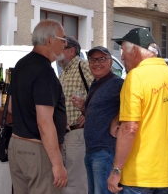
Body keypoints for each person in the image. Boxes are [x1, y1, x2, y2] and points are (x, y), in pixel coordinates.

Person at [108, 28, 168, 193]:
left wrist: (116, 170)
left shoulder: (135, 77)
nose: (121, 57)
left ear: (136, 51)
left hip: (137, 178)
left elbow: (130, 128)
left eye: (123, 51)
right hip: (165, 177)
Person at [7, 19, 68, 194]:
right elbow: (44, 122)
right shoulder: (44, 70)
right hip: (37, 149)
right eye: (62, 39)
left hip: (17, 144)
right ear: (49, 40)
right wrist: (57, 165)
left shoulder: (21, 64)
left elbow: (11, 106)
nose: (65, 44)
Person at [71, 46, 124, 194]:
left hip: (106, 151)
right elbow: (96, 116)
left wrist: (117, 120)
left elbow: (132, 106)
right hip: (92, 150)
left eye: (101, 59)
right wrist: (83, 107)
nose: (97, 63)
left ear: (110, 62)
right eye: (93, 60)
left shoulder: (117, 84)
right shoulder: (96, 83)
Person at [58, 36, 93, 194]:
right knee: (68, 181)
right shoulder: (65, 71)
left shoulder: (82, 65)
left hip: (78, 132)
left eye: (62, 47)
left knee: (76, 183)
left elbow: (98, 91)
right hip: (66, 133)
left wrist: (88, 112)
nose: (58, 52)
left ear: (71, 51)